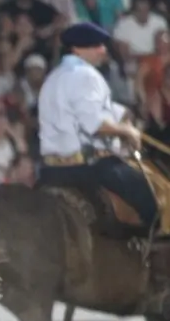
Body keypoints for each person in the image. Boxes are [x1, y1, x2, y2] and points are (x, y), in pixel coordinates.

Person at [37, 22, 156, 227]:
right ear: (77, 49)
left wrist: (122, 115)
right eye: (96, 46)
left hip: (51, 170)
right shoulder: (85, 75)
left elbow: (88, 108)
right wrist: (128, 132)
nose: (103, 50)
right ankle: (147, 244)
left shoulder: (54, 77)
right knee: (151, 195)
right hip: (86, 167)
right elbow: (94, 124)